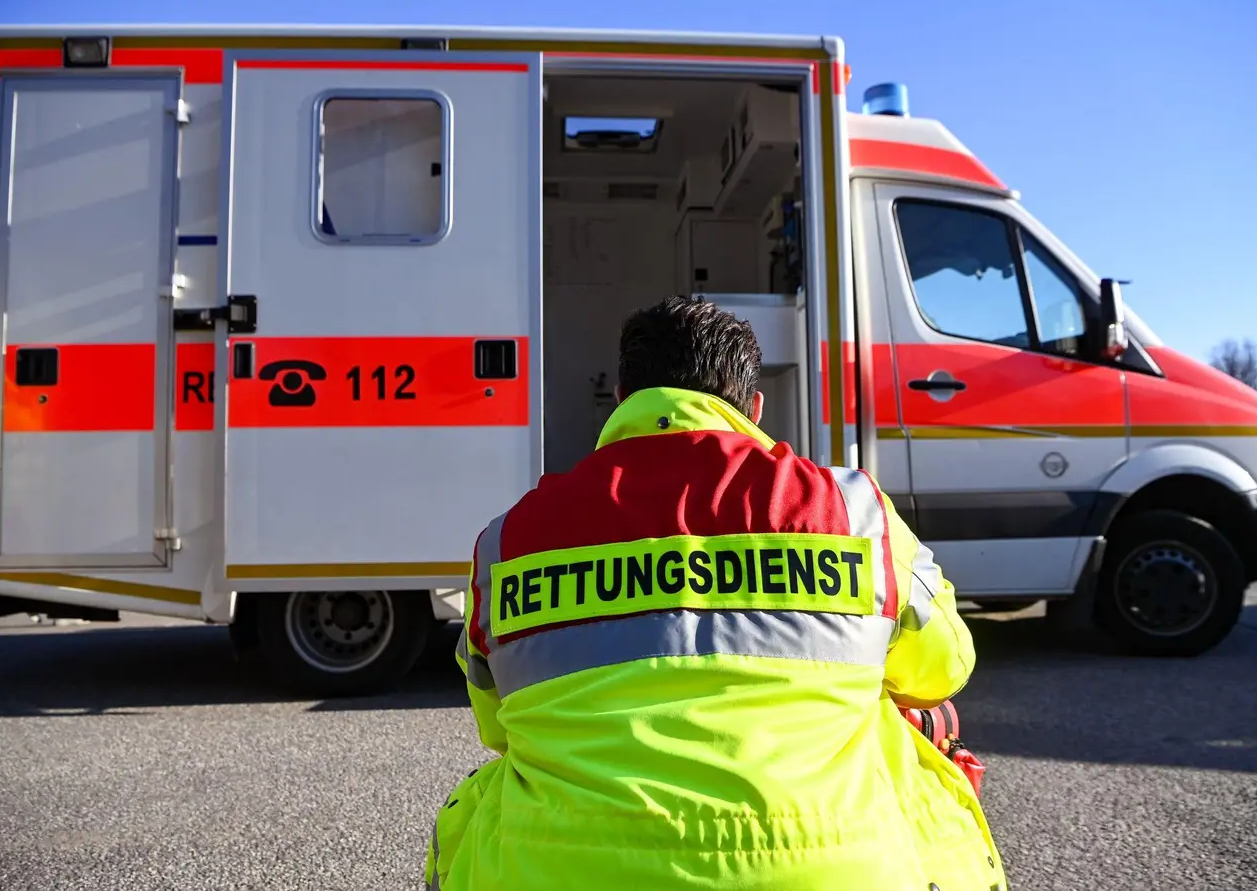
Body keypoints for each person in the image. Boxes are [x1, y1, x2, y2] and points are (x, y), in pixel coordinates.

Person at [424, 296, 1007, 890]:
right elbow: (944, 669)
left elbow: (498, 728)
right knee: (910, 716)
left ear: (623, 401)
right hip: (825, 869)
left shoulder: (509, 539)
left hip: (555, 870)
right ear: (754, 406)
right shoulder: (853, 511)